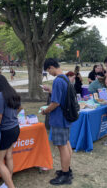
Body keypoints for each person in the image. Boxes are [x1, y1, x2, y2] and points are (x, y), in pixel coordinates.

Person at [41, 58, 73, 186]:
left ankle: (65, 175)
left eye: (48, 71)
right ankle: (67, 169)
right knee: (66, 143)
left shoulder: (58, 81)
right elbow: (61, 96)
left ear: (51, 67)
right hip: (65, 117)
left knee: (62, 146)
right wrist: (51, 90)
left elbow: (55, 103)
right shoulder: (65, 78)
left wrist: (46, 110)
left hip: (59, 118)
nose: (49, 73)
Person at [0, 75, 22, 188]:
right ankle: (7, 182)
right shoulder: (12, 92)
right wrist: (13, 116)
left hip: (5, 130)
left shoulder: (0, 96)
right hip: (15, 128)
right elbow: (20, 107)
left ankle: (10, 185)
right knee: (9, 155)